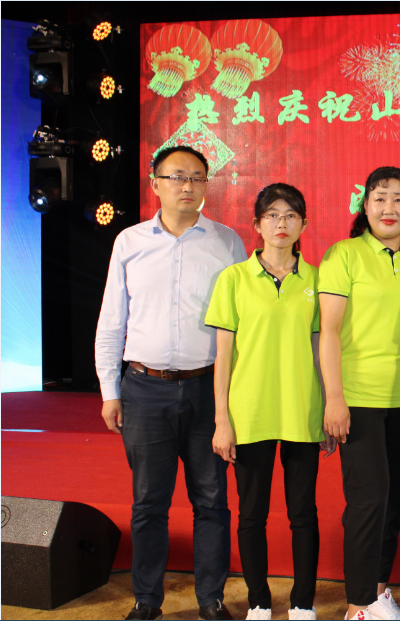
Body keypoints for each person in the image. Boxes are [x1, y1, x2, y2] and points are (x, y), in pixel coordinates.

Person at [95, 145, 246, 621]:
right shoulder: (130, 242)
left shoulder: (227, 243)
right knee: (148, 502)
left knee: (212, 501)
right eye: (177, 176)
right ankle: (147, 600)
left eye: (197, 177)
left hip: (208, 388)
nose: (187, 186)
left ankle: (211, 599)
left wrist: (233, 399)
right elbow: (112, 320)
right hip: (144, 388)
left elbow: (243, 324)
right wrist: (109, 390)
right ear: (155, 182)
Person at [206, 184, 336, 621]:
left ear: (303, 224)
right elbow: (223, 356)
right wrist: (222, 420)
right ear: (257, 224)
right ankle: (259, 601)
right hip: (250, 413)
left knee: (304, 514)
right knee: (251, 515)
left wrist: (328, 408)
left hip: (302, 410)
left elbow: (321, 349)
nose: (282, 223)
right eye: (273, 215)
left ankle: (302, 602)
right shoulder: (234, 279)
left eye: (291, 215)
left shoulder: (318, 280)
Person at [318, 166, 400, 621]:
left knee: (391, 502)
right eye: (380, 198)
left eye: (399, 198)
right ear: (365, 205)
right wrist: (334, 397)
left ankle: (378, 594)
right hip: (360, 398)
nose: (390, 208)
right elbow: (329, 331)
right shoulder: (343, 255)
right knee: (368, 501)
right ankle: (357, 605)